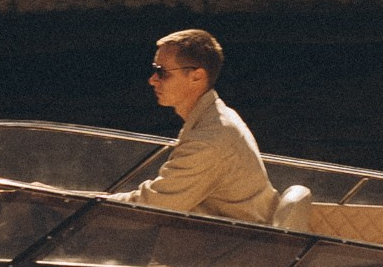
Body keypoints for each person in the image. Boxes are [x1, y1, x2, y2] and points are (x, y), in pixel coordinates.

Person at [102, 28, 279, 224]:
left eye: (162, 72)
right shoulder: (218, 118)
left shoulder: (208, 140)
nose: (152, 80)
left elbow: (150, 207)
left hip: (226, 250)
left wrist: (75, 203)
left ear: (197, 77)